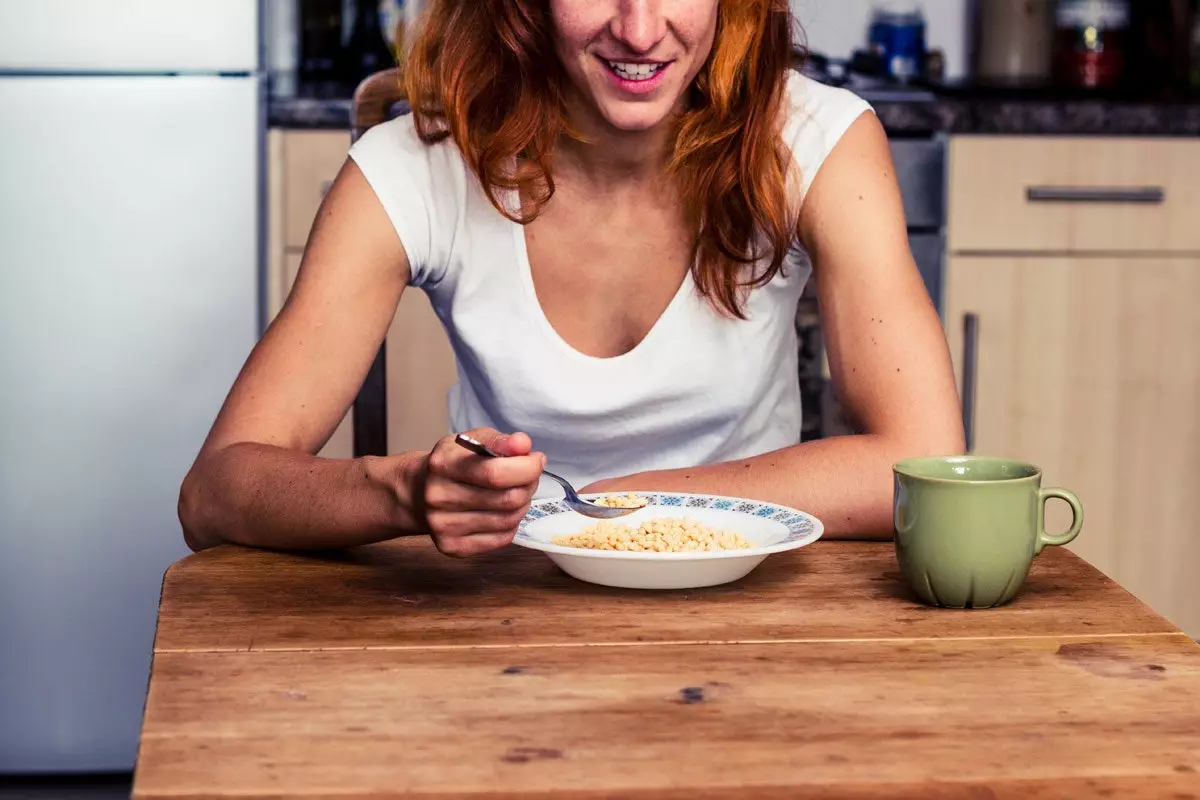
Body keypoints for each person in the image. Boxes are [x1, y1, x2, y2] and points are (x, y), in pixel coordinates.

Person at [179, 0, 964, 557]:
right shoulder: (415, 166)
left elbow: (924, 458)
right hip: (506, 608)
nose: (641, 28)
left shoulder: (817, 139)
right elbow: (215, 492)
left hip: (749, 603)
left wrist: (618, 506)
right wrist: (403, 494)